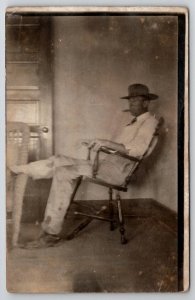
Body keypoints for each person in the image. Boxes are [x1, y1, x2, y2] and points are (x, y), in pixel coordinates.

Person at [10, 83, 159, 248]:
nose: (131, 105)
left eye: (135, 101)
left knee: (63, 172)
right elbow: (121, 147)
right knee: (60, 159)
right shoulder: (134, 123)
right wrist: (96, 144)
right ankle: (20, 169)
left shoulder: (150, 123)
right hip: (107, 164)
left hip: (116, 171)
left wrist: (104, 143)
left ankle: (51, 233)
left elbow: (137, 150)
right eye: (130, 101)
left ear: (146, 103)